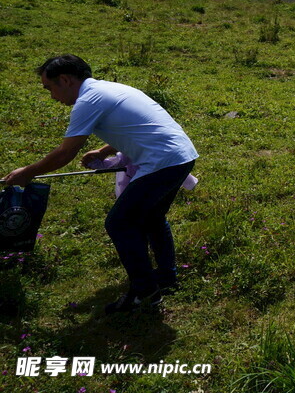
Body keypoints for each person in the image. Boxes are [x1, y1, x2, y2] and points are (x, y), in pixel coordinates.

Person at [3, 55, 198, 314]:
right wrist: (105, 150)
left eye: (49, 88)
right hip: (181, 156)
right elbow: (139, 126)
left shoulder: (88, 100)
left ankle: (146, 292)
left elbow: (65, 153)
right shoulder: (111, 88)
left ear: (65, 79)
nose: (52, 96)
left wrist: (28, 172)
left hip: (162, 162)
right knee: (152, 218)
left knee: (120, 223)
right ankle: (165, 277)